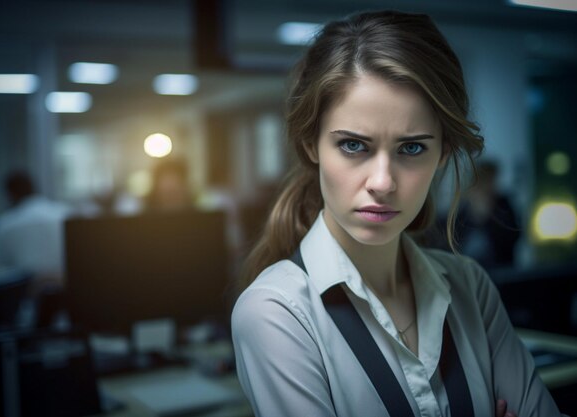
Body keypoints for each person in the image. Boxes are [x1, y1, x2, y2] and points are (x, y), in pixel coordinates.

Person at [231, 10, 563, 417]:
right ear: (310, 144)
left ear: (443, 154)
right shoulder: (276, 312)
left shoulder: (470, 288)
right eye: (354, 145)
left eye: (412, 148)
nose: (383, 182)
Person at [0, 170, 72, 294]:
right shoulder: (64, 214)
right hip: (66, 296)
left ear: (11, 194)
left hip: (24, 299)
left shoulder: (4, 224)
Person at [455, 160, 521, 270]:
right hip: (469, 271)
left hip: (501, 268)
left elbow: (512, 237)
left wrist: (487, 215)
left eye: (493, 180)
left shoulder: (503, 205)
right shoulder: (463, 210)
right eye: (487, 180)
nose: (492, 185)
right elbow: (454, 240)